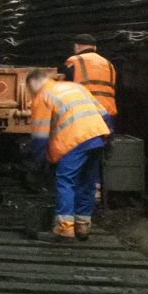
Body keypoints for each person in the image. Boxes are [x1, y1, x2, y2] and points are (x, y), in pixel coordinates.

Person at [26, 67, 113, 241]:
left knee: (66, 180)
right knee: (87, 182)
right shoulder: (76, 87)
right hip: (97, 136)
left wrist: (39, 161)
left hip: (74, 140)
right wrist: (108, 138)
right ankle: (82, 226)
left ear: (33, 84)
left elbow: (40, 137)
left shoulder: (42, 96)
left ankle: (64, 229)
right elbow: (106, 115)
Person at [63, 35, 118, 128]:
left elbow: (64, 88)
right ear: (95, 48)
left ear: (76, 46)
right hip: (108, 113)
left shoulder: (74, 61)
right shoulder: (109, 64)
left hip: (85, 112)